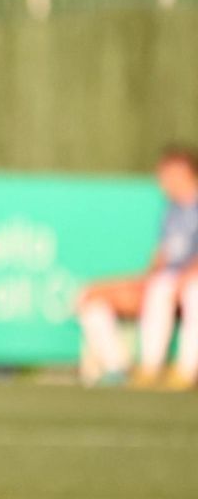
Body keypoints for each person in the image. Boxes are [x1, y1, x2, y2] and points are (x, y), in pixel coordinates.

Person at [76, 145, 198, 390]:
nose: (162, 182)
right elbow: (162, 257)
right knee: (154, 287)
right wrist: (141, 282)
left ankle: (186, 371)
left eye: (167, 174)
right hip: (172, 280)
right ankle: (138, 368)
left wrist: (187, 276)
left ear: (185, 171)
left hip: (190, 281)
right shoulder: (172, 210)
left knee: (190, 291)